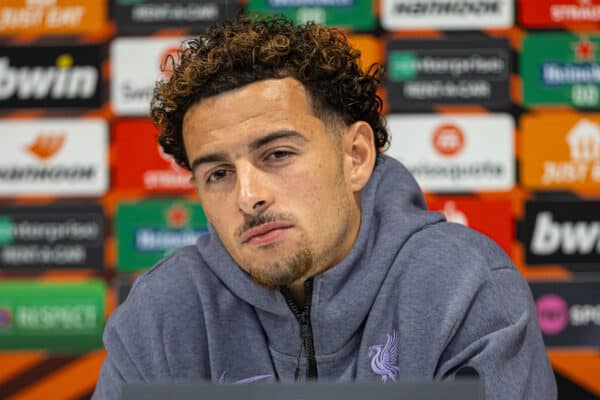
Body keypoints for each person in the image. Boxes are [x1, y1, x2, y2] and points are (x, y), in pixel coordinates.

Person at [93, 14, 556, 399]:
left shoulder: (462, 285)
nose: (248, 195)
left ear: (354, 156)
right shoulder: (159, 315)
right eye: (218, 173)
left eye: (277, 155)